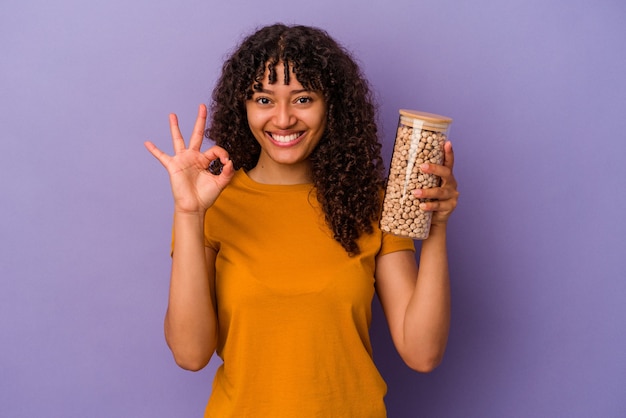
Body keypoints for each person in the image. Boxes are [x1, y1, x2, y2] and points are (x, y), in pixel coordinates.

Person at [145, 23, 459, 418]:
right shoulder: (212, 203)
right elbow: (190, 355)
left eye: (303, 98)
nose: (282, 119)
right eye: (263, 99)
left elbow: (422, 352)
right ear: (243, 107)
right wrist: (190, 214)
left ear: (333, 105)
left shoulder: (370, 203)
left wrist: (437, 226)